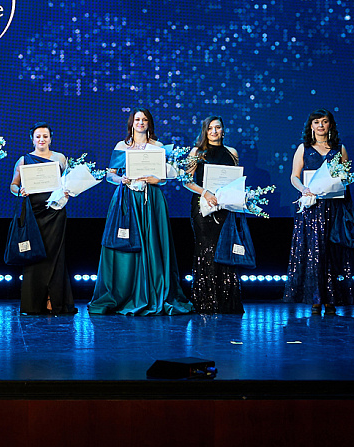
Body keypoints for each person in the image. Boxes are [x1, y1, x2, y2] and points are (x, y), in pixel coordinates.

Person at [88, 107, 191, 317]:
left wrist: (157, 179)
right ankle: (124, 292)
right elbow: (110, 175)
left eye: (144, 119)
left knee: (153, 243)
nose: (141, 123)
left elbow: (164, 177)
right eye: (137, 119)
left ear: (149, 123)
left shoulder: (158, 147)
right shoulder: (122, 146)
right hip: (127, 198)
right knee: (125, 244)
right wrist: (122, 179)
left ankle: (154, 292)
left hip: (151, 199)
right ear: (131, 123)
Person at [284, 108, 354, 317]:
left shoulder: (340, 149)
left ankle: (332, 298)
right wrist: (303, 189)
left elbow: (347, 177)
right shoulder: (304, 148)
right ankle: (316, 299)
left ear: (330, 124)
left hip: (334, 208)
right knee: (314, 252)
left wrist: (339, 181)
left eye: (324, 121)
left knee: (332, 252)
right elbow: (294, 176)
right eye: (316, 122)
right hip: (311, 207)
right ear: (311, 126)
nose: (321, 125)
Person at [10, 124, 76, 315]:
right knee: (34, 256)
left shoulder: (60, 158)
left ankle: (54, 301)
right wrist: (20, 191)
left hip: (55, 212)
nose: (41, 140)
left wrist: (68, 191)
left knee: (55, 256)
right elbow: (13, 186)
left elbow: (69, 182)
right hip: (33, 214)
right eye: (38, 136)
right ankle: (34, 303)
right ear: (32, 139)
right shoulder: (24, 160)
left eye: (45, 136)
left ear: (50, 138)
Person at [183, 115, 244, 315]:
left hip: (225, 207)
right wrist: (206, 193)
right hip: (203, 206)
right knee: (206, 249)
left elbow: (235, 180)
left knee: (224, 249)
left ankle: (226, 301)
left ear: (223, 131)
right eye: (210, 128)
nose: (214, 131)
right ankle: (206, 301)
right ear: (205, 131)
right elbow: (186, 180)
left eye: (217, 127)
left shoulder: (232, 152)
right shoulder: (197, 152)